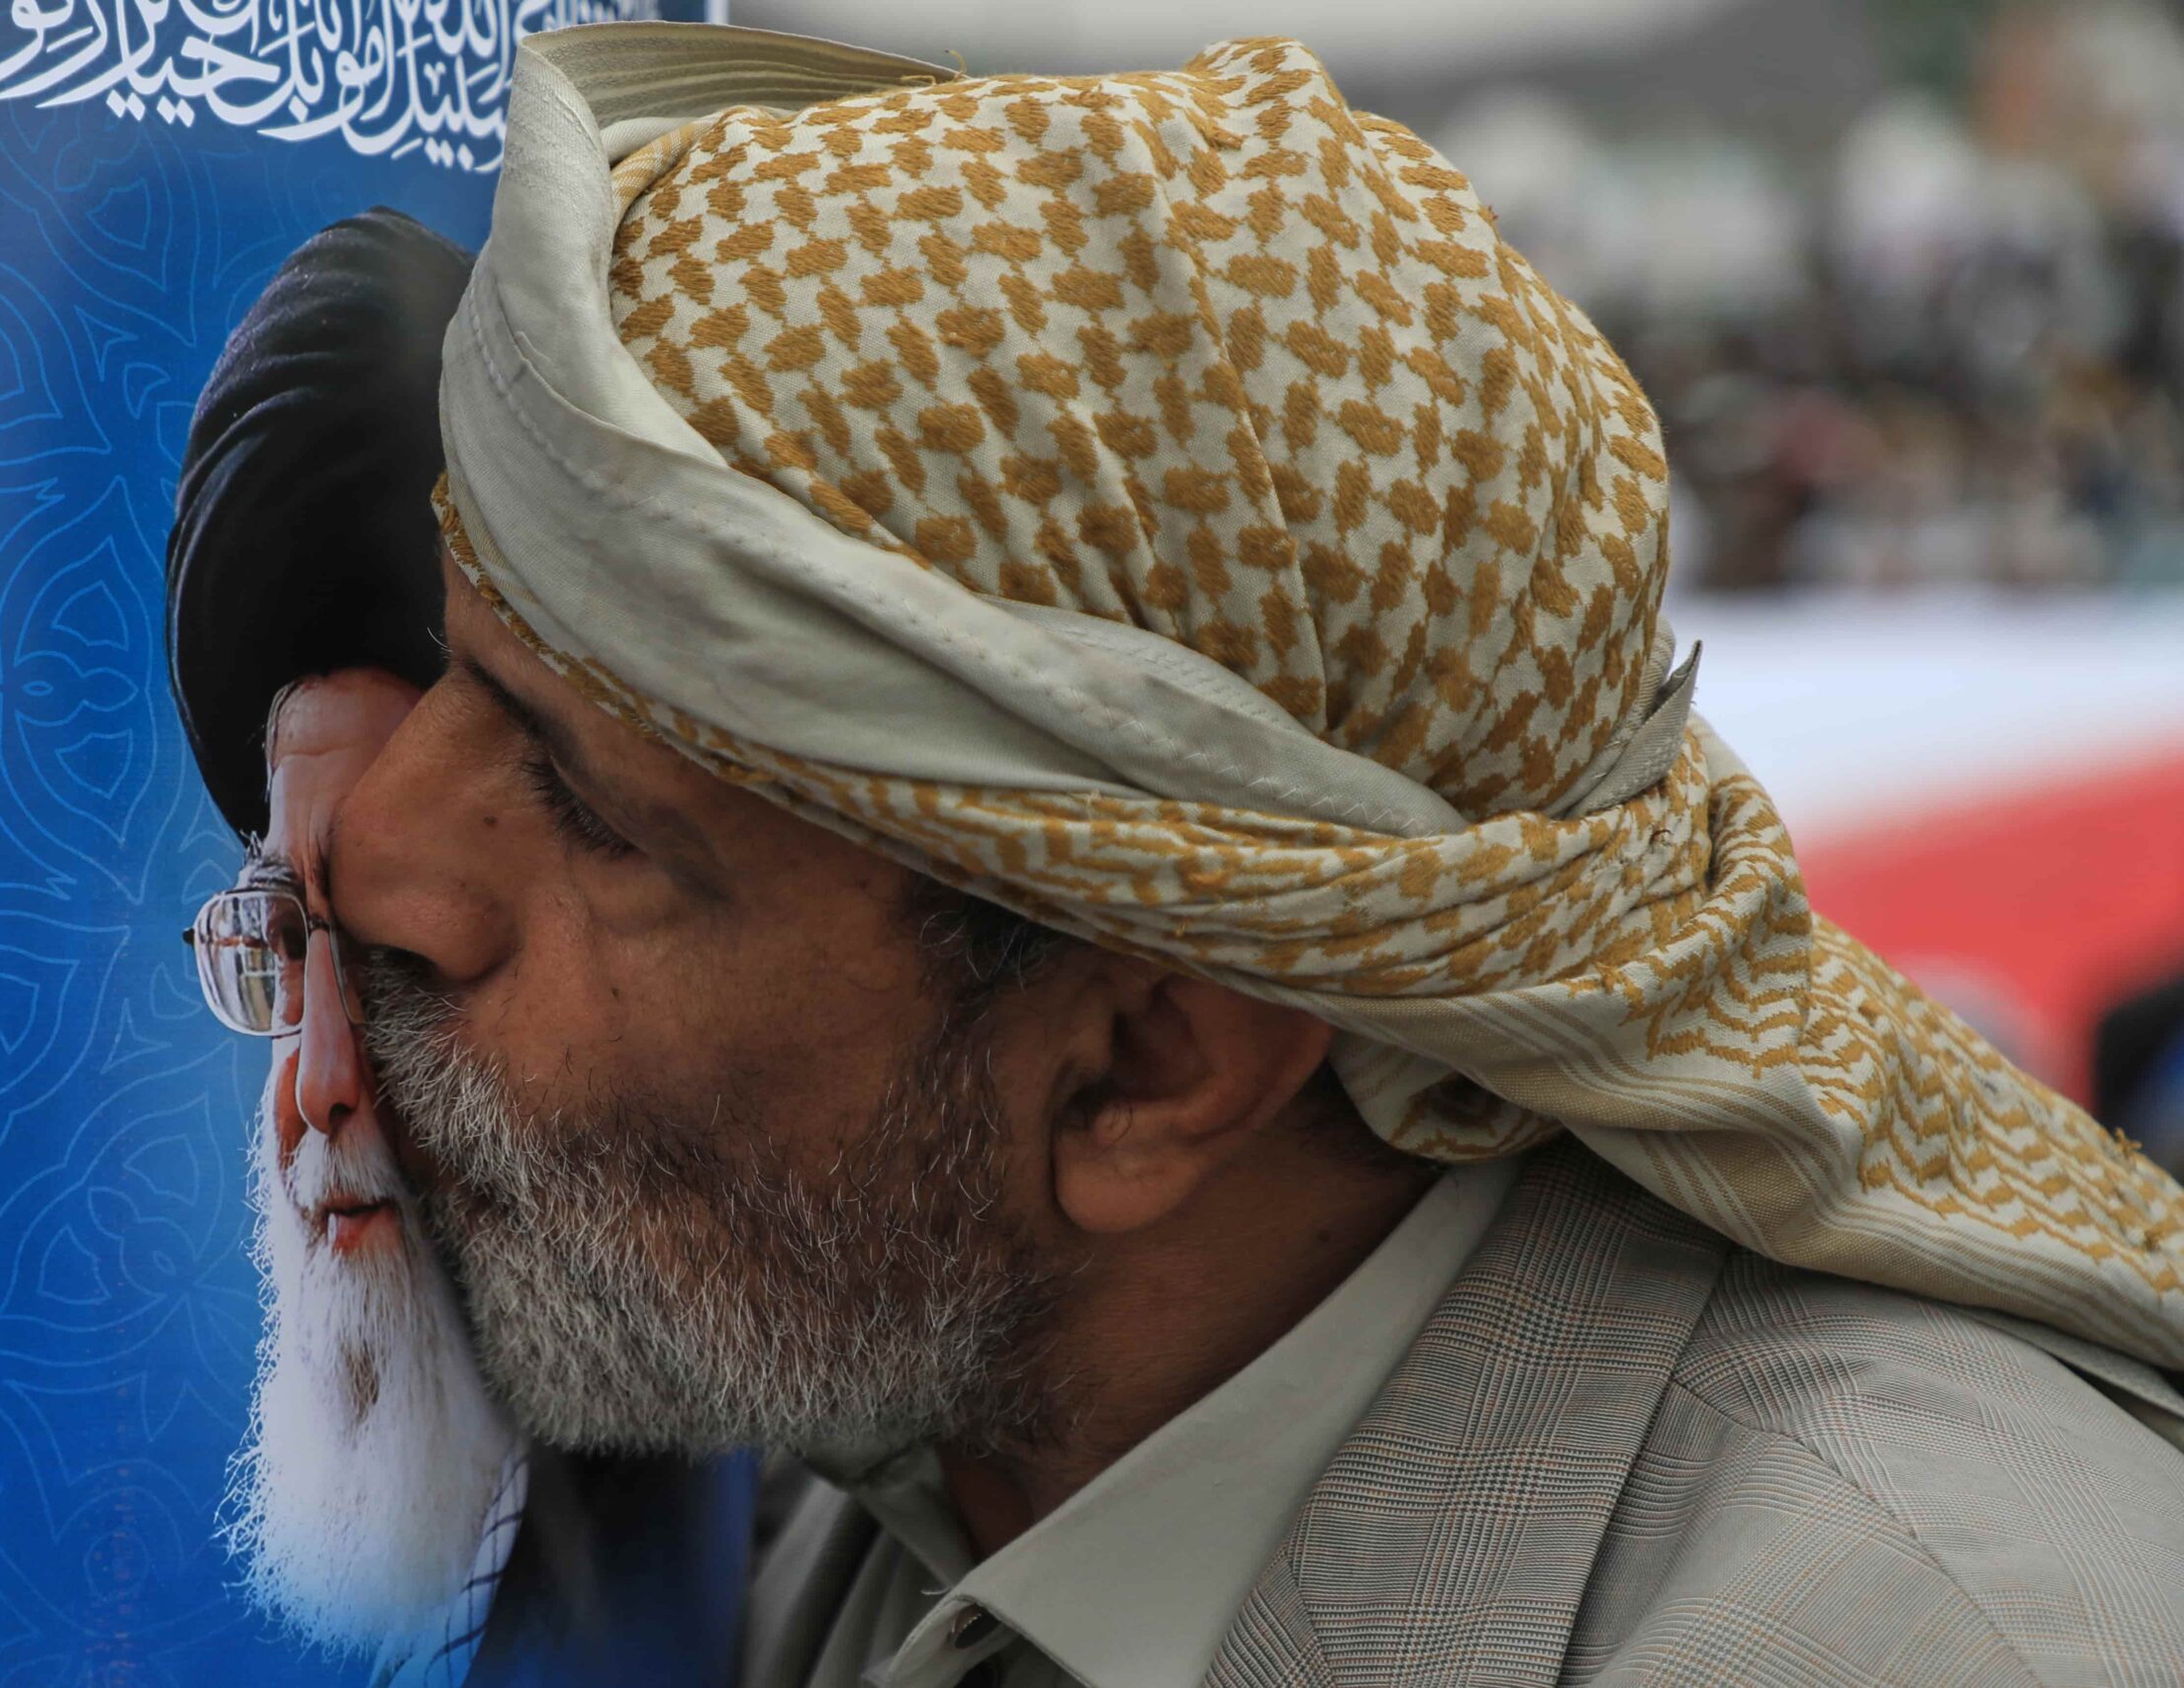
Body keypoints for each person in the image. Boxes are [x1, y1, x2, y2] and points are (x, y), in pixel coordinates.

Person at [312, 25, 2184, 1686]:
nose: (374, 851)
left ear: (1146, 1064)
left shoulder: (1928, 1642)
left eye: (589, 809)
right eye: (455, 676)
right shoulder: (871, 1430)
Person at [164, 208, 751, 1686]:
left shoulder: (762, 1571)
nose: (322, 1084)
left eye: (409, 952)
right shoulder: (463, 1581)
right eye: (286, 938)